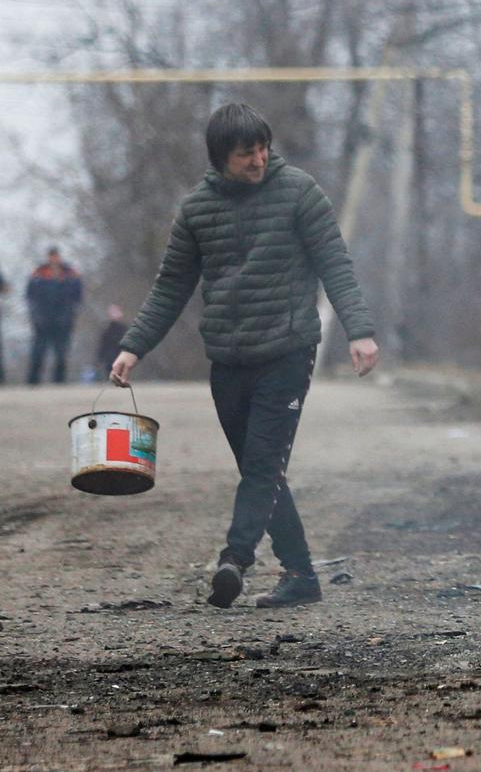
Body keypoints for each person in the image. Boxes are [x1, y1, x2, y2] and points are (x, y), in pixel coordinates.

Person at [110, 103, 379, 610]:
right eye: (244, 154)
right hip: (229, 359)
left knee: (261, 465)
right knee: (265, 471)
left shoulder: (299, 191)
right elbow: (171, 286)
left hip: (287, 349)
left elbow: (334, 264)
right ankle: (301, 577)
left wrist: (359, 330)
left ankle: (235, 559)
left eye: (262, 149)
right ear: (219, 158)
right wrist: (133, 346)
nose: (257, 160)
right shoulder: (196, 210)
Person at [26, 246, 84, 384]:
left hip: (63, 320)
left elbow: (78, 296)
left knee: (61, 352)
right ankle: (33, 381)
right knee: (38, 352)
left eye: (56, 256)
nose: (54, 259)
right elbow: (30, 296)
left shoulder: (70, 273)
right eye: (52, 256)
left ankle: (59, 381)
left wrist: (71, 313)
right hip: (42, 320)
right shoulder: (38, 273)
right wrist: (35, 316)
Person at [90, 304, 128, 383]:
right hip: (110, 357)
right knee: (110, 372)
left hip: (119, 355)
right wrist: (100, 357)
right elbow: (103, 345)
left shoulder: (123, 329)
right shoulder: (107, 329)